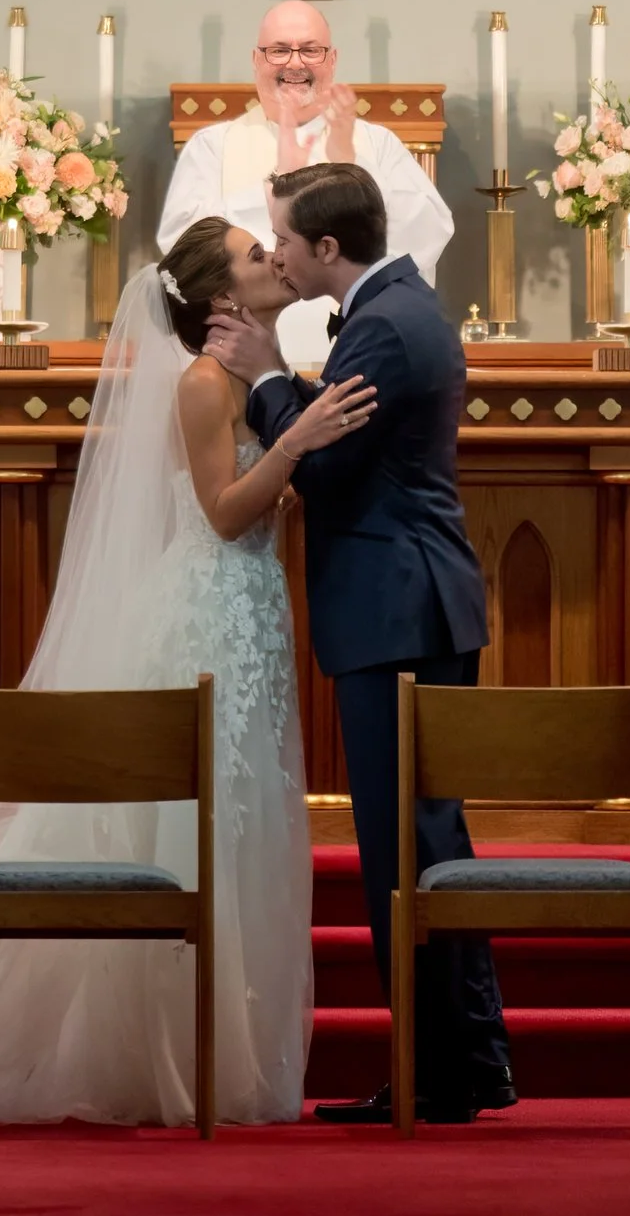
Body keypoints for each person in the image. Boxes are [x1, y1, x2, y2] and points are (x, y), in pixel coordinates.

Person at [0, 222, 371, 1130]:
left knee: (240, 814)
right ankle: (151, 1053)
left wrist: (292, 450)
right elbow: (223, 517)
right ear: (220, 301)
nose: (273, 262)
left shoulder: (250, 377)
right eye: (254, 256)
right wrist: (296, 446)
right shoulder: (205, 385)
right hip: (206, 617)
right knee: (191, 822)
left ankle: (216, 1051)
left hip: (247, 617)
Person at [211, 163, 517, 1125]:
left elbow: (332, 469)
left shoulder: (383, 325)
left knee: (405, 849)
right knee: (427, 842)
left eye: (286, 242)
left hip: (397, 607)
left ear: (328, 248)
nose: (281, 256)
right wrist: (293, 390)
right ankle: (469, 1062)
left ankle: (438, 1071)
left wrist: (265, 379)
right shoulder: (398, 308)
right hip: (412, 602)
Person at [157, 0, 453, 368]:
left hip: (366, 360)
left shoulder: (375, 144)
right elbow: (186, 256)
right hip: (239, 364)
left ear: (332, 59)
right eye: (279, 50)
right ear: (256, 60)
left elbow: (428, 233)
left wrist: (351, 167)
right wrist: (273, 191)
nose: (295, 63)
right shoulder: (212, 147)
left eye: (310, 50)